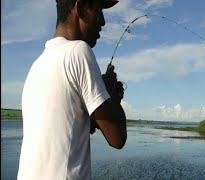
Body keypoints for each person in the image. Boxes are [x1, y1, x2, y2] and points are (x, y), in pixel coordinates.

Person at [17, 0, 127, 179]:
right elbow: (117, 139)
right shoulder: (79, 51)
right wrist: (113, 95)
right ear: (81, 8)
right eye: (98, 10)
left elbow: (65, 127)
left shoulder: (37, 65)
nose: (103, 21)